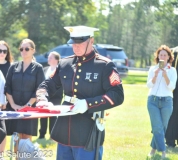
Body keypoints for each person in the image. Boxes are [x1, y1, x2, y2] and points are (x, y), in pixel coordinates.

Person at [36, 26, 124, 160]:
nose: (76, 47)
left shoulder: (104, 65)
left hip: (87, 131)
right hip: (64, 130)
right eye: (73, 43)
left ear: (91, 41)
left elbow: (117, 94)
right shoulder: (65, 63)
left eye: (80, 42)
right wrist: (42, 98)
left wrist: (88, 104)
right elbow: (47, 84)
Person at [4, 38, 45, 151]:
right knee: (16, 138)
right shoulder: (13, 67)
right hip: (15, 109)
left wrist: (28, 105)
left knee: (26, 139)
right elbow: (7, 88)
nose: (24, 51)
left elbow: (39, 89)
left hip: (29, 109)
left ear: (33, 50)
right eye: (21, 49)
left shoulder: (38, 68)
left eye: (27, 49)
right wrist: (13, 105)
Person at [146, 45, 177, 158]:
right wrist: (155, 75)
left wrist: (165, 76)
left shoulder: (172, 70)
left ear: (169, 57)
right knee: (157, 127)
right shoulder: (152, 69)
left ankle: (153, 149)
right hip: (153, 101)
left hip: (167, 102)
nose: (162, 57)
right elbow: (148, 85)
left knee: (162, 127)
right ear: (158, 56)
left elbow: (172, 87)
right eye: (161, 55)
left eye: (165, 55)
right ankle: (163, 151)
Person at [39, 51, 63, 139]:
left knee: (53, 116)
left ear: (56, 60)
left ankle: (52, 136)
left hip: (56, 97)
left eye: (51, 57)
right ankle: (42, 135)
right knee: (43, 116)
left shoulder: (60, 70)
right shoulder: (45, 69)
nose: (48, 59)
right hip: (45, 97)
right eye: (48, 57)